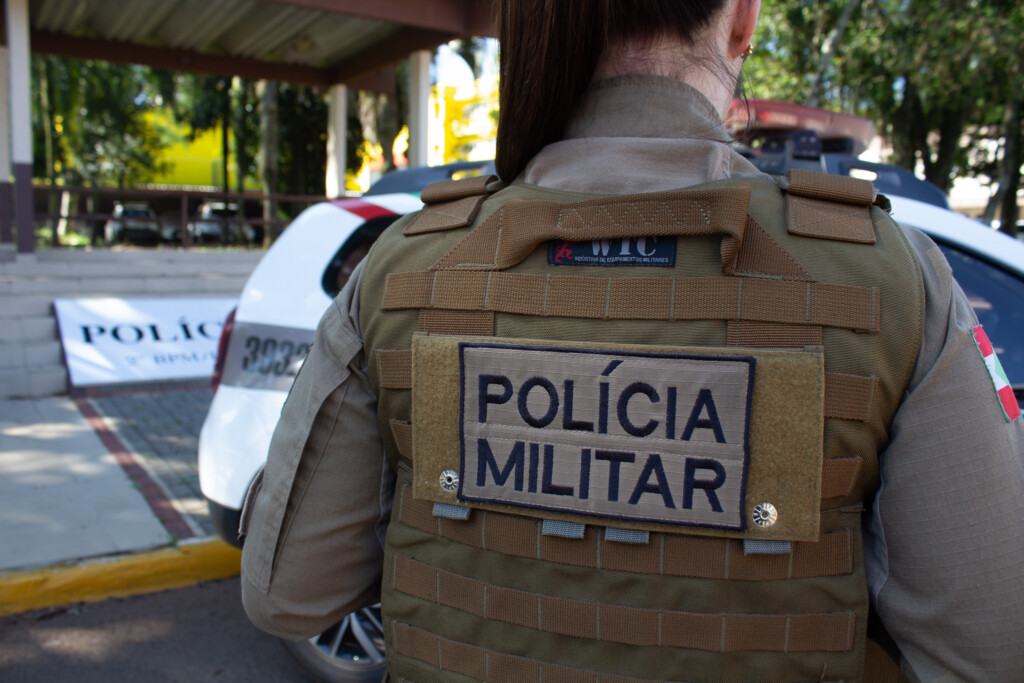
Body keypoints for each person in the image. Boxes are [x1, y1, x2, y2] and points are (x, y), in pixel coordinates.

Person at [240, 1, 1024, 680]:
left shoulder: (407, 264)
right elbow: (992, 653)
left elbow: (288, 593)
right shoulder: (885, 275)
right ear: (743, 19)